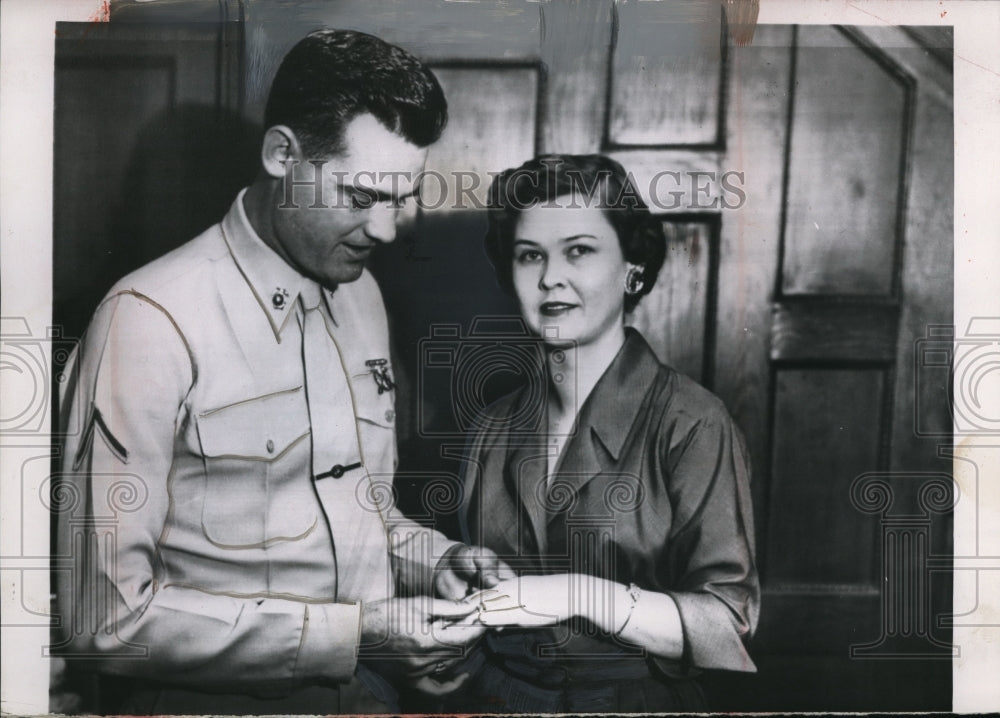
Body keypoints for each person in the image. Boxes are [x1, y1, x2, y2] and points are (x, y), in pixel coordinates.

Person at [54, 29, 509, 715]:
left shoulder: (360, 293)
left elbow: (359, 512)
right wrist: (355, 636)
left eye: (402, 197)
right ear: (282, 155)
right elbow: (102, 622)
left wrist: (434, 561)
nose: (386, 230)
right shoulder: (147, 319)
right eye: (361, 197)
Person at [437, 154, 760, 712]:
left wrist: (576, 595)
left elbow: (728, 623)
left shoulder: (693, 424)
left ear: (632, 267)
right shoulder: (490, 424)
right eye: (529, 255)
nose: (549, 277)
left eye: (579, 251)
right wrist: (459, 570)